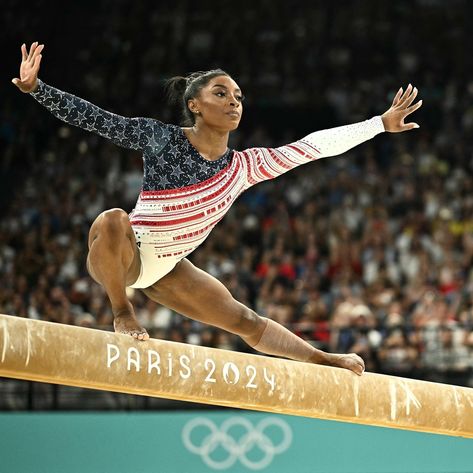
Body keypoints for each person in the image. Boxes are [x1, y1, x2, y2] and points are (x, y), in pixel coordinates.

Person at [12, 42, 422, 376]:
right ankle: (122, 310)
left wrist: (378, 125)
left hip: (169, 268)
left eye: (239, 97)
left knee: (244, 320)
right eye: (221, 93)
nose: (234, 102)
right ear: (194, 104)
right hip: (123, 256)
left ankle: (322, 359)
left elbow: (312, 147)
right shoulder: (161, 138)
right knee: (112, 219)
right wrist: (37, 88)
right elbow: (97, 120)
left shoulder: (244, 167)